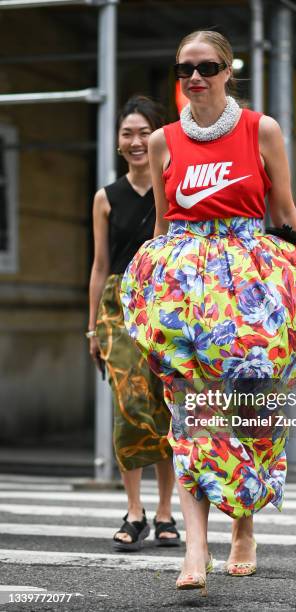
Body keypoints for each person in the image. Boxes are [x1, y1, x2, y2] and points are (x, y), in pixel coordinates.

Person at [121, 31, 296, 592]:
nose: (195, 77)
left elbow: (283, 209)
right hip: (187, 287)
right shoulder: (163, 141)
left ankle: (243, 528)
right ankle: (193, 552)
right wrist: (152, 285)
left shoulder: (261, 129)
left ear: (226, 70)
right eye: (185, 67)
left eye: (207, 66)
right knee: (192, 416)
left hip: (249, 285)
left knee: (249, 412)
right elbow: (163, 226)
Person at [87, 95, 180, 551]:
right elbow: (100, 265)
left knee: (163, 407)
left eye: (145, 132)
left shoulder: (175, 186)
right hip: (118, 306)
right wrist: (92, 328)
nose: (137, 141)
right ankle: (135, 510)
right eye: (128, 133)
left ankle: (166, 513)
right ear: (119, 142)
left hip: (164, 303)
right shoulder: (106, 197)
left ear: (160, 136)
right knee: (129, 405)